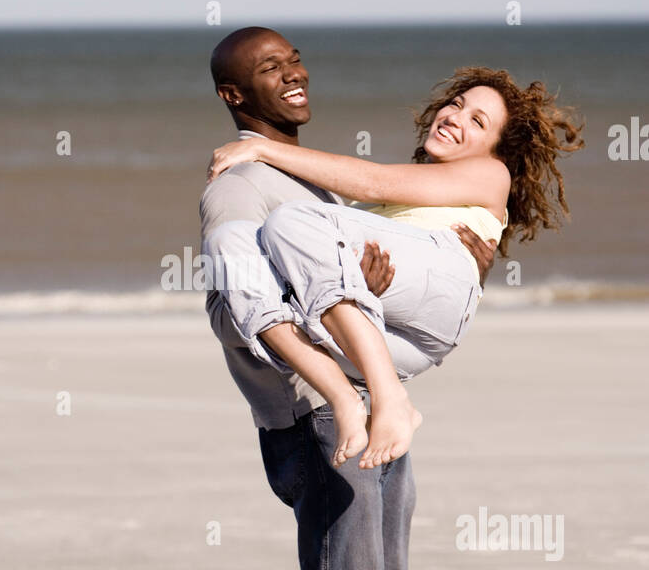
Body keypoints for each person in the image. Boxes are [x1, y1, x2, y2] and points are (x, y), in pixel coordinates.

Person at [199, 26, 497, 570]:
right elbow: (237, 296)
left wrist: (366, 273)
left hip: (370, 420)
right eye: (266, 70)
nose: (291, 75)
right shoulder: (242, 182)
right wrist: (333, 391)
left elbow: (344, 261)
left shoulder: (304, 173)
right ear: (234, 96)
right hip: (323, 426)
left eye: (293, 60)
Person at [206, 66, 583, 470]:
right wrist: (354, 281)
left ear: (497, 147)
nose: (455, 117)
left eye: (478, 121)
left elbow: (371, 181)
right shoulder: (389, 203)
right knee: (229, 243)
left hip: (437, 297)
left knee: (292, 222)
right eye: (455, 104)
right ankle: (344, 397)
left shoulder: (492, 174)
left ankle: (388, 399)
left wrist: (262, 149)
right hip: (382, 340)